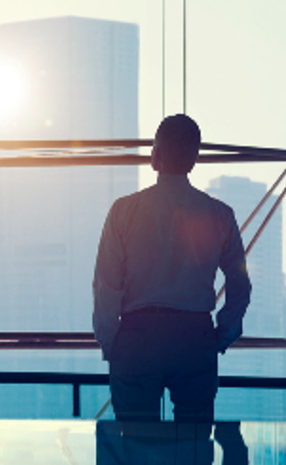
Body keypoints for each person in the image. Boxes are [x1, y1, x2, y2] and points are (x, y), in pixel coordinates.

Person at [93, 114, 251, 422]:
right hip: (195, 336)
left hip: (137, 337)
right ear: (194, 159)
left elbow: (107, 285)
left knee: (136, 447)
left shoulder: (123, 211)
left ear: (155, 156)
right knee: (194, 451)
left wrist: (112, 341)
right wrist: (222, 334)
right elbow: (239, 283)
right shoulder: (220, 214)